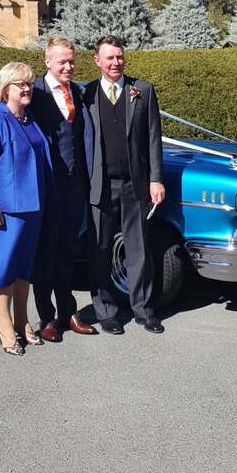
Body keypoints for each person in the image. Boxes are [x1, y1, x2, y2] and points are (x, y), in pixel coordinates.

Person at [83, 36, 166, 335]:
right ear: (97, 61)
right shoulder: (86, 94)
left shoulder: (142, 91)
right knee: (100, 249)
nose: (116, 62)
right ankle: (106, 311)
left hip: (136, 184)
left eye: (119, 57)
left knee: (139, 249)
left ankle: (144, 310)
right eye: (110, 58)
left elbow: (153, 138)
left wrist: (156, 178)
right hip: (100, 186)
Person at [0, 62, 52, 356]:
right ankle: (5, 325)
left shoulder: (29, 118)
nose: (27, 88)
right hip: (7, 209)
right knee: (4, 268)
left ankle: (22, 321)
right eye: (21, 84)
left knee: (23, 268)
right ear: (6, 88)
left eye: (30, 83)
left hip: (33, 206)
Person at [30, 37, 97, 342]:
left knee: (68, 252)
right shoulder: (35, 94)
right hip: (46, 188)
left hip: (74, 187)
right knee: (46, 254)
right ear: (48, 62)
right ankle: (46, 317)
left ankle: (68, 312)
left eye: (72, 61)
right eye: (62, 62)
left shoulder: (80, 93)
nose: (69, 66)